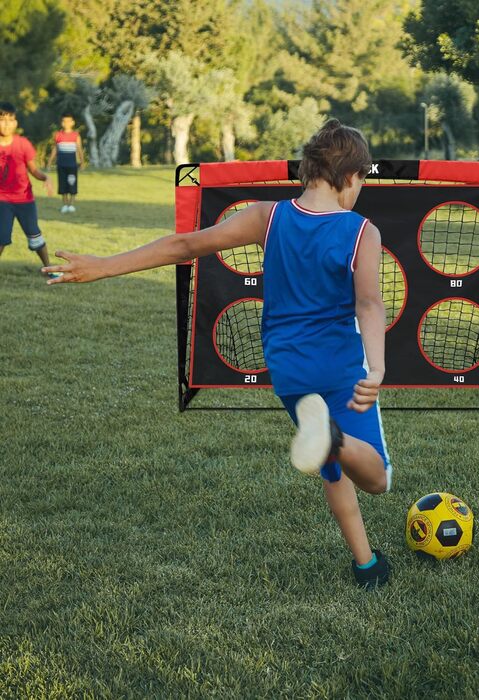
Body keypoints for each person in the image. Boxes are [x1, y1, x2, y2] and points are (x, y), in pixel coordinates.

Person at [43, 119, 393, 589]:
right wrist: (378, 364)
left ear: (308, 170)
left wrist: (104, 266)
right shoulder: (360, 231)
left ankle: (366, 563)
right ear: (351, 176)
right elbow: (369, 302)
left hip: (287, 371)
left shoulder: (267, 217)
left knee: (333, 472)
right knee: (375, 479)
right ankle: (334, 442)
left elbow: (184, 244)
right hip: (339, 366)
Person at [0, 102, 59, 277]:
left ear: (16, 122)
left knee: (35, 237)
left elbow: (33, 170)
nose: (6, 123)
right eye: (2, 119)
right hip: (2, 201)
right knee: (1, 238)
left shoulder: (23, 144)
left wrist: (46, 177)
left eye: (11, 119)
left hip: (25, 200)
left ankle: (48, 269)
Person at [48, 112, 84, 212]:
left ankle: (72, 204)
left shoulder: (76, 135)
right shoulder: (58, 135)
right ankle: (65, 204)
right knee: (62, 184)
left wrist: (82, 162)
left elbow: (79, 149)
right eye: (64, 121)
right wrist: (50, 162)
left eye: (68, 121)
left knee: (72, 183)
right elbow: (55, 149)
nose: (66, 123)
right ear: (61, 123)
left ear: (72, 122)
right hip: (61, 164)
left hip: (72, 165)